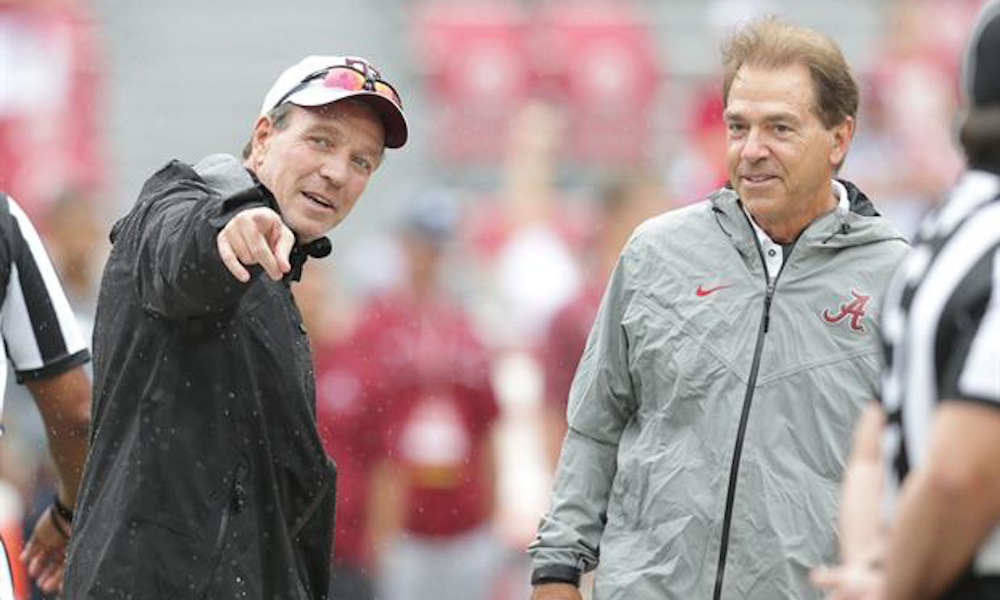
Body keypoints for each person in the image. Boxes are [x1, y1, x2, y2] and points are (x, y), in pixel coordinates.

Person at [528, 16, 909, 600]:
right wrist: (556, 571)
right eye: (738, 126)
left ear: (839, 137)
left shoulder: (900, 279)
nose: (752, 150)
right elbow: (595, 425)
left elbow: (921, 466)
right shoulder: (655, 253)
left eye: (780, 127)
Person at [61, 55, 408, 599]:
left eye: (362, 161)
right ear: (263, 136)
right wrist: (225, 233)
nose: (339, 172)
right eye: (321, 140)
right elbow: (178, 247)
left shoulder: (278, 284)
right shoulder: (182, 201)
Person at [812, 3, 1000, 599]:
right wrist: (895, 588)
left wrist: (871, 563)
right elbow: (957, 472)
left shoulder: (941, 237)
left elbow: (872, 445)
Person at [0, 193, 91, 596]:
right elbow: (75, 411)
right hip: (40, 473)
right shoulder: (5, 221)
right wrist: (70, 509)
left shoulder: (106, 295)